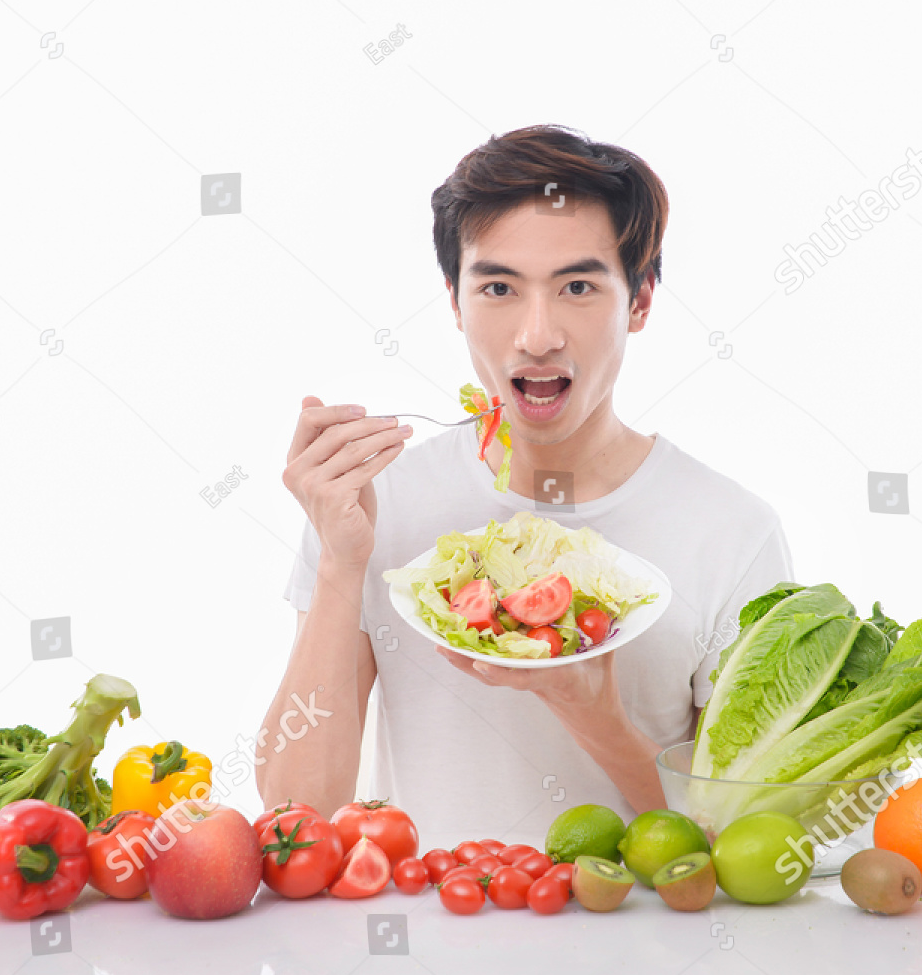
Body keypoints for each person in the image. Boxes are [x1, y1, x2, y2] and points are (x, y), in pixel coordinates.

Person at [255, 124, 793, 843]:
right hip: (430, 932)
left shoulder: (732, 533)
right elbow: (296, 816)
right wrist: (340, 565)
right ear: (454, 301)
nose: (537, 335)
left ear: (640, 302)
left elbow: (743, 839)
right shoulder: (378, 502)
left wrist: (593, 713)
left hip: (646, 950)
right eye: (499, 287)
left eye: (577, 286)